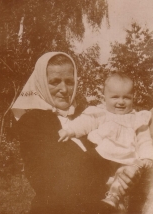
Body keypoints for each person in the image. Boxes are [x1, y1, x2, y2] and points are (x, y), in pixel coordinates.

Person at [12, 52, 139, 214]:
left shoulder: (88, 115)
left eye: (69, 82)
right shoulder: (32, 122)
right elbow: (51, 178)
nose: (64, 89)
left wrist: (123, 172)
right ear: (41, 83)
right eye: (54, 82)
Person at [58, 73, 153, 210]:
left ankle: (114, 199)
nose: (120, 102)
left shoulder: (137, 118)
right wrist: (69, 130)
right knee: (99, 181)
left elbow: (144, 139)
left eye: (126, 97)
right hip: (102, 158)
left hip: (126, 160)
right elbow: (84, 123)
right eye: (115, 97)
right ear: (105, 98)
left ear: (133, 98)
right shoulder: (100, 113)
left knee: (126, 177)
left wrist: (147, 158)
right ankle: (109, 203)